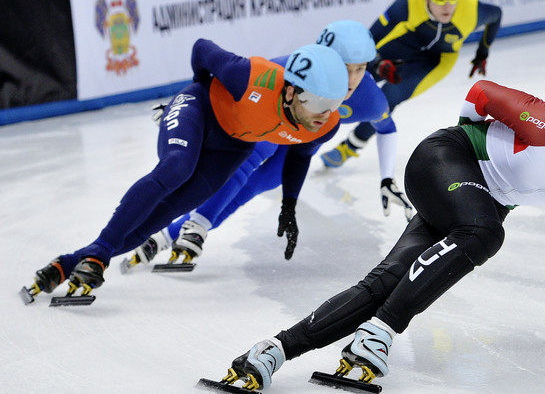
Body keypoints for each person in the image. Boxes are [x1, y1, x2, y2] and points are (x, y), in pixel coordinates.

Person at [215, 79, 545, 391]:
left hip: (473, 204)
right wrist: (469, 137)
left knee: (390, 281)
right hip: (444, 159)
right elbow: (481, 93)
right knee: (485, 233)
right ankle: (381, 333)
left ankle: (271, 352)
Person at [21, 41, 349, 302]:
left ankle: (70, 263)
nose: (325, 114)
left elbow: (298, 159)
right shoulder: (249, 76)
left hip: (233, 146)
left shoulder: (326, 124)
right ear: (291, 91)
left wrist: (288, 204)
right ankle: (98, 252)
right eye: (319, 104)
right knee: (177, 168)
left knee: (166, 213)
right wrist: (197, 90)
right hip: (199, 110)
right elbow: (201, 49)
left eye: (332, 104)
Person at [124, 20, 413, 270]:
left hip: (301, 140)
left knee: (265, 180)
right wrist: (189, 104)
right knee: (249, 158)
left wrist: (387, 178)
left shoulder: (370, 99)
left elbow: (387, 127)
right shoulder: (290, 68)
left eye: (360, 69)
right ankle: (196, 226)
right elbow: (235, 81)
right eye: (343, 68)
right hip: (273, 121)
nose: (350, 80)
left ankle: (172, 233)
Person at [319, 0, 502, 171]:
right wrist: (378, 62)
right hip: (401, 46)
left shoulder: (473, 11)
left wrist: (483, 52)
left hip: (435, 61)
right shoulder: (406, 4)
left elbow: (496, 15)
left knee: (389, 97)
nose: (447, 6)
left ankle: (350, 147)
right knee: (354, 77)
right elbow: (370, 38)